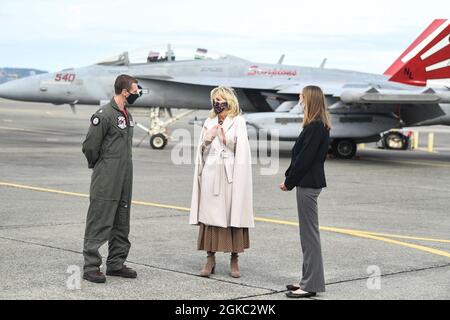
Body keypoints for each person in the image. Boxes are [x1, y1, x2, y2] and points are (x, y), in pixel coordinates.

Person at [81, 74, 142, 283]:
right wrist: (101, 165)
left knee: (121, 219)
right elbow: (90, 146)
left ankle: (116, 264)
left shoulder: (127, 115)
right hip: (107, 175)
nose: (137, 93)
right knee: (100, 217)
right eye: (135, 90)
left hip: (125, 174)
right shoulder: (104, 115)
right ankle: (90, 266)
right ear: (125, 91)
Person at [189, 86, 254, 278]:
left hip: (230, 175)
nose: (217, 103)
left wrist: (225, 139)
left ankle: (234, 259)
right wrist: (206, 141)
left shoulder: (238, 121)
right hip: (211, 173)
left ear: (228, 101)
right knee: (210, 216)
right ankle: (210, 259)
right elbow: (201, 150)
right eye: (214, 100)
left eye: (220, 99)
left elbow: (243, 149)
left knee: (232, 213)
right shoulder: (209, 121)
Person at [279, 85, 331, 298]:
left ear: (309, 99)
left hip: (308, 184)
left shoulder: (316, 126)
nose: (299, 99)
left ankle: (310, 285)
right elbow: (300, 157)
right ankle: (307, 279)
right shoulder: (316, 125)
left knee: (309, 236)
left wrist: (289, 182)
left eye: (301, 96)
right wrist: (290, 178)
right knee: (307, 235)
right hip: (308, 183)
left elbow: (304, 159)